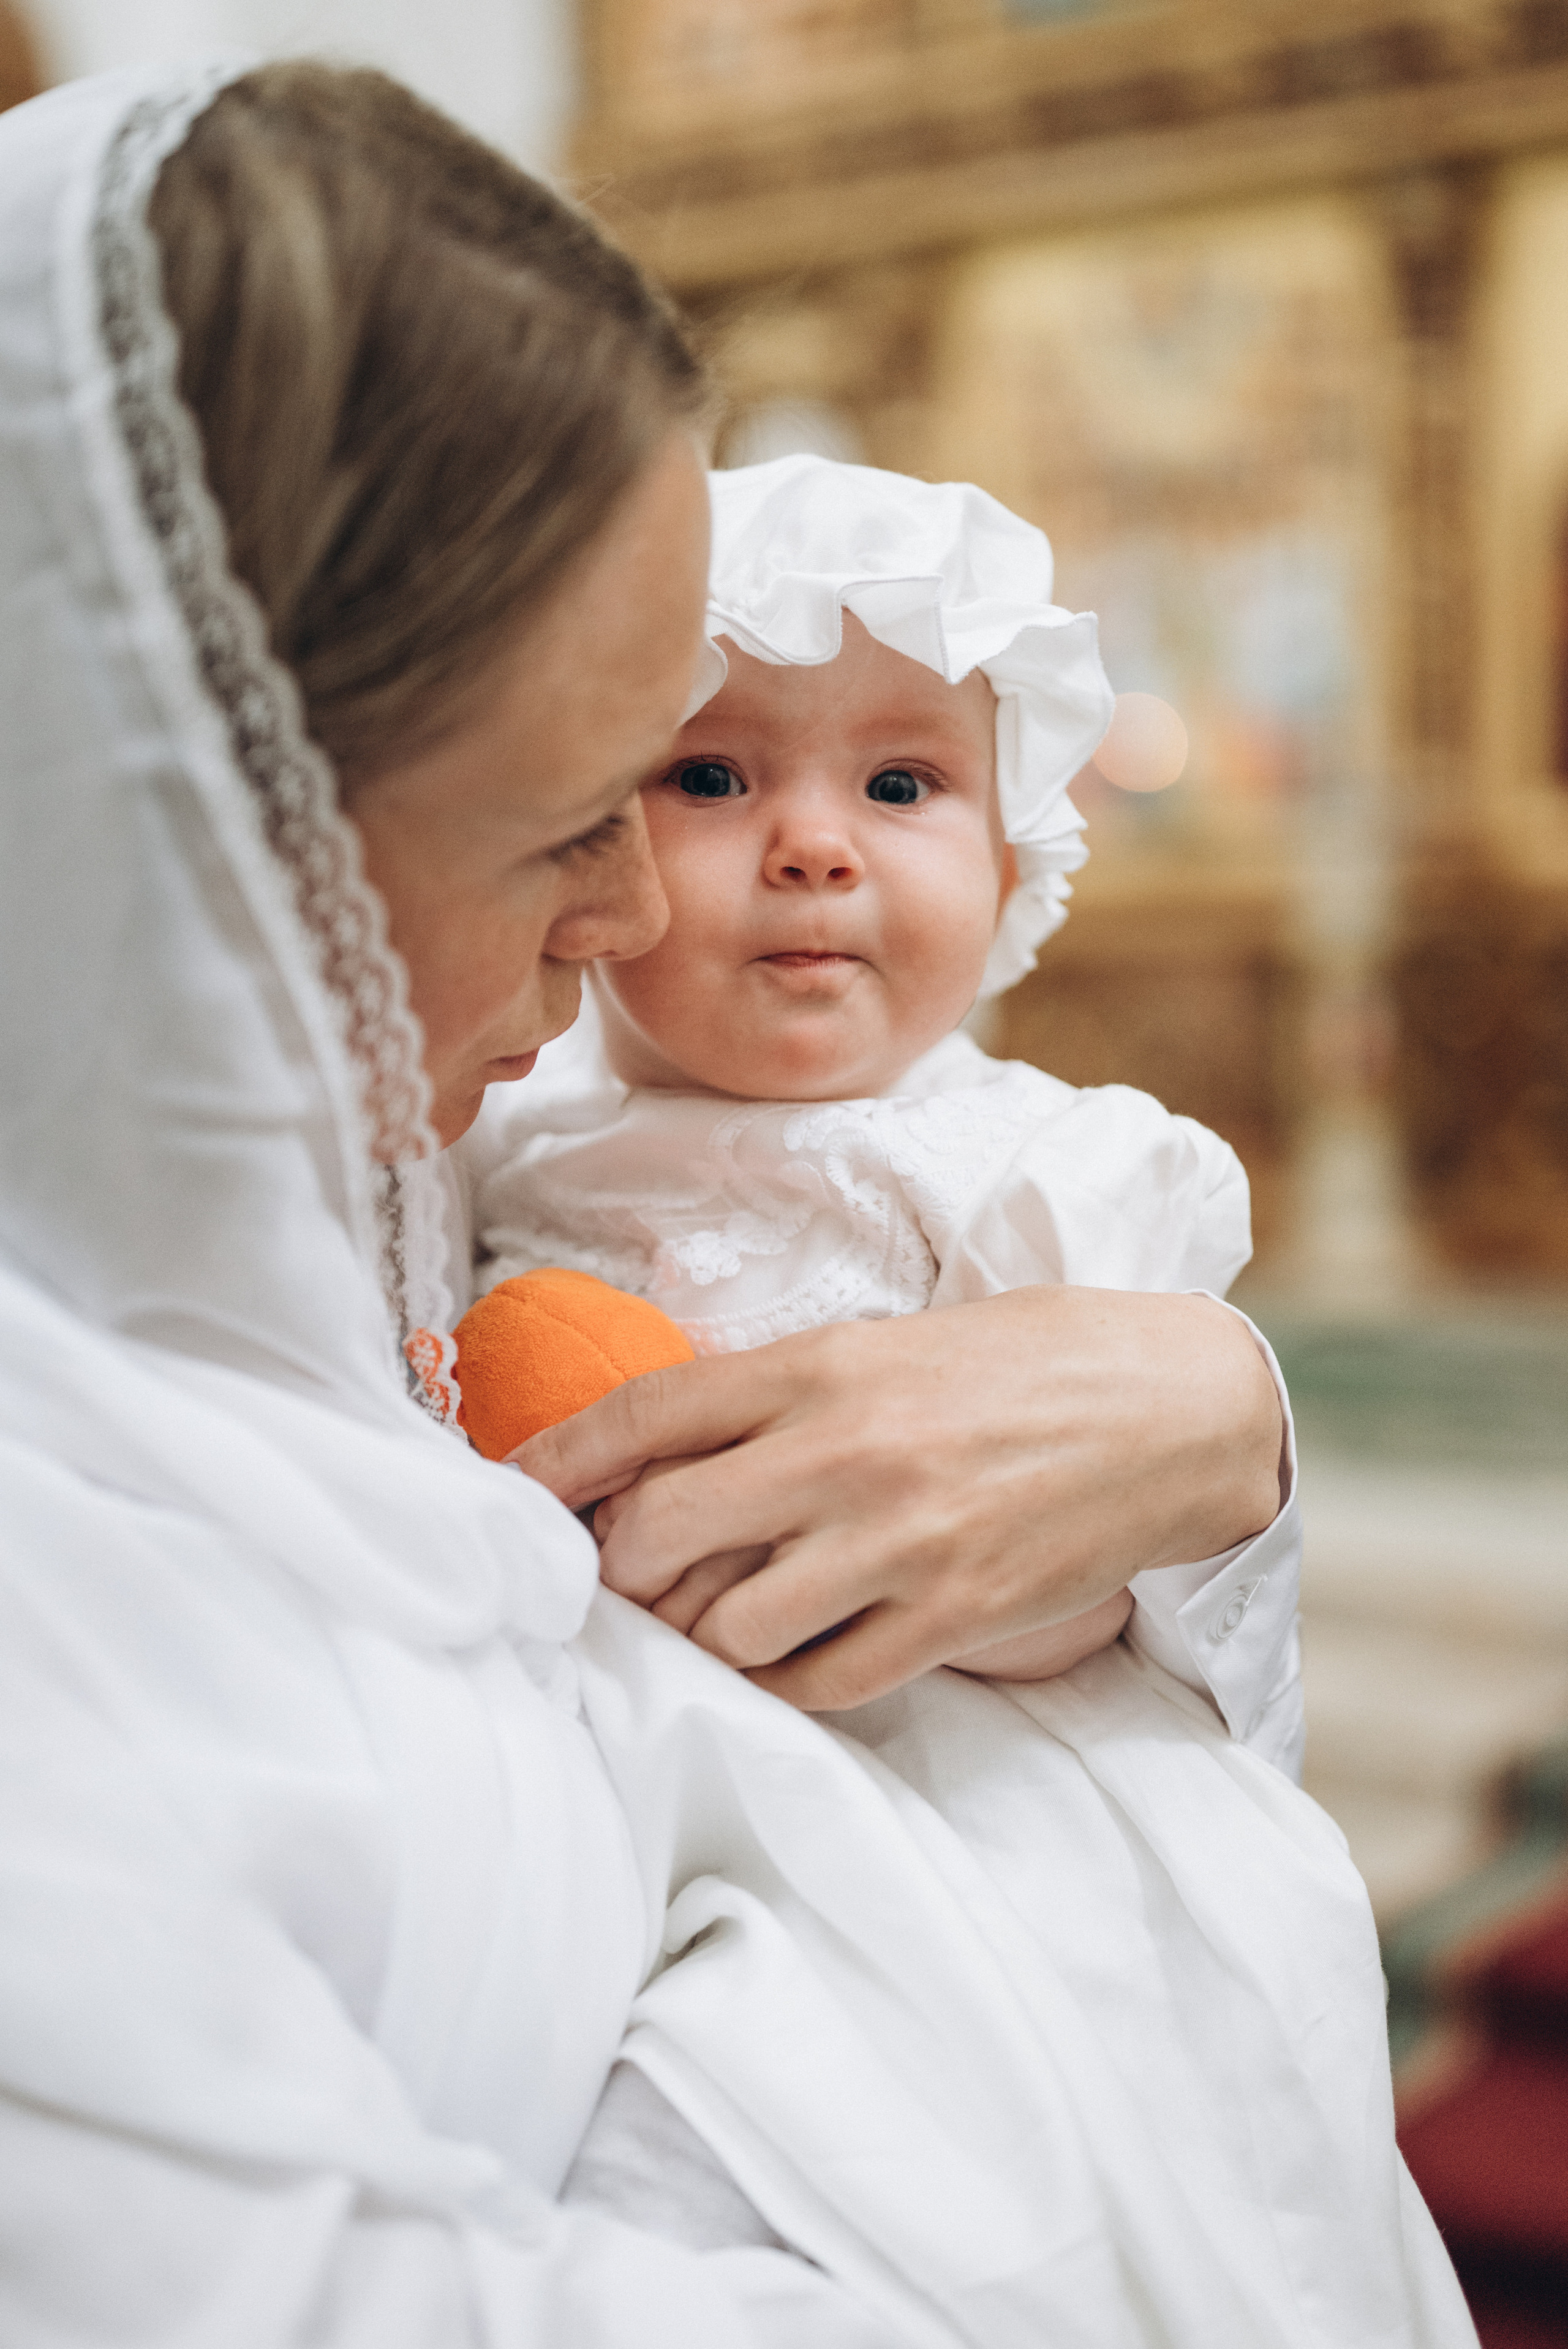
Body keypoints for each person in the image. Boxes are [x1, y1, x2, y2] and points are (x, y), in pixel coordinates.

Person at [0, 56, 1476, 2349]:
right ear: (204, 816)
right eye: (593, 803)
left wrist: (1212, 1431)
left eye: (895, 781)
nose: (630, 916)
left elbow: (1113, 1723)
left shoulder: (344, 1189)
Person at [466, 453, 1257, 1692]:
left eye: (899, 784)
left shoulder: (1034, 1172)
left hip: (918, 1764)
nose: (815, 847)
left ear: (1007, 868)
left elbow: (1083, 1574)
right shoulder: (506, 1136)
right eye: (712, 777)